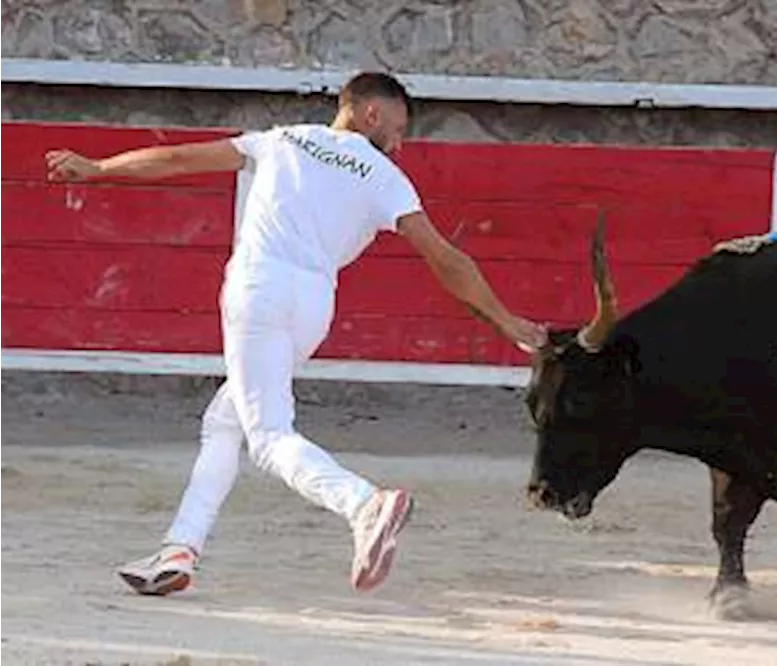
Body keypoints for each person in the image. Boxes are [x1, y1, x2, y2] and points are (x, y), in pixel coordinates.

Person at [45, 71, 548, 596]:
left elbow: (177, 159)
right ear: (370, 113)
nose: (399, 144)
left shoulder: (281, 139)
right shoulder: (385, 177)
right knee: (225, 420)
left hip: (259, 287)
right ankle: (179, 548)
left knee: (268, 438)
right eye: (397, 130)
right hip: (313, 304)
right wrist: (505, 320)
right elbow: (445, 258)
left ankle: (363, 503)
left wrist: (98, 168)